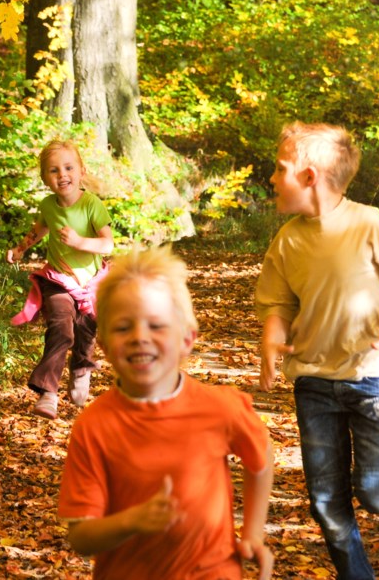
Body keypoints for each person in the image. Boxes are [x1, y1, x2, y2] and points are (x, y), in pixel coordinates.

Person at [255, 122, 379, 580]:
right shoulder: (287, 240)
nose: (272, 179)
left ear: (310, 176)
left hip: (371, 376)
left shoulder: (369, 224)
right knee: (325, 501)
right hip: (314, 383)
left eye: (281, 170)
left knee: (378, 497)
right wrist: (272, 335)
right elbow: (278, 301)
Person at [58, 246, 274, 580]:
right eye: (123, 328)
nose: (140, 337)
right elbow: (81, 537)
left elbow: (260, 458)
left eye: (156, 326)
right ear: (101, 344)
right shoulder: (94, 425)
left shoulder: (220, 408)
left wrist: (253, 534)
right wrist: (132, 521)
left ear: (186, 339)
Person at [6, 139, 114, 419]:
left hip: (89, 283)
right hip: (57, 279)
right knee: (60, 329)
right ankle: (48, 393)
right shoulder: (49, 205)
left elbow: (107, 245)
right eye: (53, 171)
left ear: (81, 171)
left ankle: (81, 369)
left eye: (68, 168)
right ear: (45, 179)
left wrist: (80, 241)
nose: (62, 175)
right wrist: (20, 249)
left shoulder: (92, 205)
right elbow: (39, 230)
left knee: (85, 334)